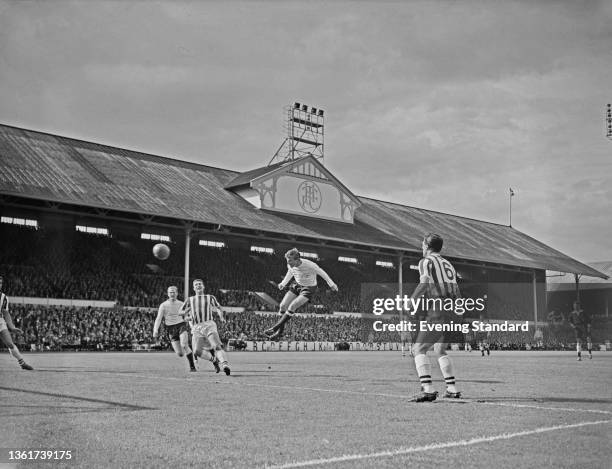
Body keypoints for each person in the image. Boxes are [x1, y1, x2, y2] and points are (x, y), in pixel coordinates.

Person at [408, 234, 461, 402]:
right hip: (453, 309)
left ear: (426, 245)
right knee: (440, 349)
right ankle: (452, 389)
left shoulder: (426, 262)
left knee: (418, 349)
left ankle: (428, 389)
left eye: (422, 244)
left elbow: (424, 283)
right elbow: (456, 289)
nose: (421, 247)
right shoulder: (448, 264)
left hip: (439, 309)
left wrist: (411, 301)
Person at [264, 248, 338, 340]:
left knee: (292, 306)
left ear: (297, 259)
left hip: (309, 288)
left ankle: (274, 328)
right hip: (297, 285)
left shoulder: (310, 265)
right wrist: (283, 283)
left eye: (290, 261)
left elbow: (322, 273)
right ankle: (280, 332)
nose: (288, 263)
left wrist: (332, 284)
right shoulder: (290, 265)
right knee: (282, 306)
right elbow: (290, 273)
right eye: (287, 261)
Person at [181, 279, 230, 375]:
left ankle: (225, 365)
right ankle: (214, 360)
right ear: (193, 288)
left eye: (200, 284)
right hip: (196, 328)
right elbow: (181, 313)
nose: (198, 286)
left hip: (208, 325)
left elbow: (219, 308)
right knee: (197, 351)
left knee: (216, 346)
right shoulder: (189, 300)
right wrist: (187, 316)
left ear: (203, 286)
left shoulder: (210, 297)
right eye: (196, 285)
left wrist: (221, 316)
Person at [153, 285, 200, 372]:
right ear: (168, 294)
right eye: (170, 292)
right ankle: (191, 354)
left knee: (184, 344)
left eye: (174, 292)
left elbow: (187, 316)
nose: (172, 294)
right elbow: (158, 318)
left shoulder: (182, 304)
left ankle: (192, 367)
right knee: (180, 354)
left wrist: (192, 326)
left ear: (177, 293)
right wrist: (155, 330)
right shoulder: (163, 305)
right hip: (170, 329)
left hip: (181, 325)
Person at [0, 276, 33, 370]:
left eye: (1, 283)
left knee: (10, 344)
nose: (0, 285)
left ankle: (22, 363)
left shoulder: (4, 297)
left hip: (0, 321)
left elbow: (5, 313)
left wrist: (12, 327)